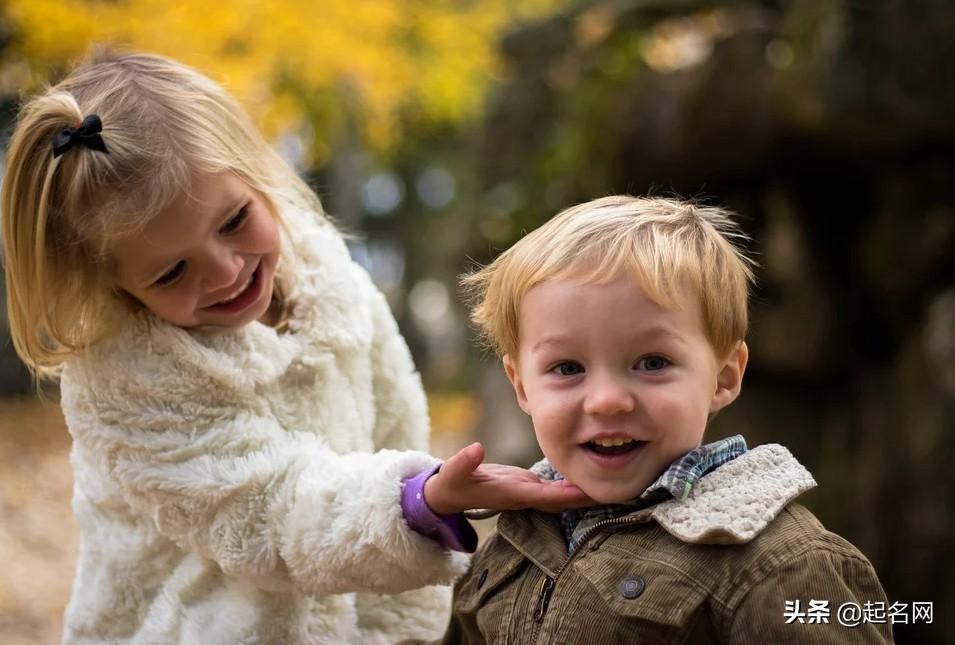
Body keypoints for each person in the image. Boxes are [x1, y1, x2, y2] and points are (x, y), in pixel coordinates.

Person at [0, 50, 588, 644]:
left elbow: (393, 424)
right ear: (114, 285)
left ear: (258, 174)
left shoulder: (330, 284)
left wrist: (403, 622)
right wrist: (416, 503)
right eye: (172, 272)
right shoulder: (125, 379)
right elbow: (263, 515)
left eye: (233, 220)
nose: (225, 271)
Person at [434, 195, 892, 643]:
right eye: (568, 368)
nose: (607, 401)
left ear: (723, 377)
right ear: (521, 386)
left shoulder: (780, 563)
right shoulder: (514, 539)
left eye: (652, 363)